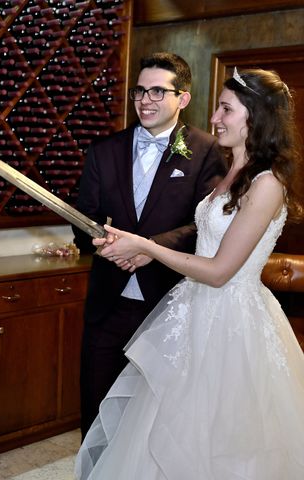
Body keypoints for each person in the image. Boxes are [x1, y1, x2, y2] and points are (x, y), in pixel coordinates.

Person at [75, 68, 304, 479]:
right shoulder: (232, 169)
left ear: (257, 117)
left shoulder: (268, 184)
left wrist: (145, 246)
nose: (214, 117)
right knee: (157, 425)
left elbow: (218, 271)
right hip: (190, 312)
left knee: (218, 438)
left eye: (225, 109)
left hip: (231, 324)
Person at [72, 52, 226, 439]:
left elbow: (204, 224)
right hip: (107, 305)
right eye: (140, 91)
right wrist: (104, 242)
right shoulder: (103, 150)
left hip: (169, 302)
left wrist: (147, 248)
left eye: (159, 91)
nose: (146, 100)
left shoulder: (207, 151)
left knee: (159, 419)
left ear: (183, 99)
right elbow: (82, 222)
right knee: (97, 409)